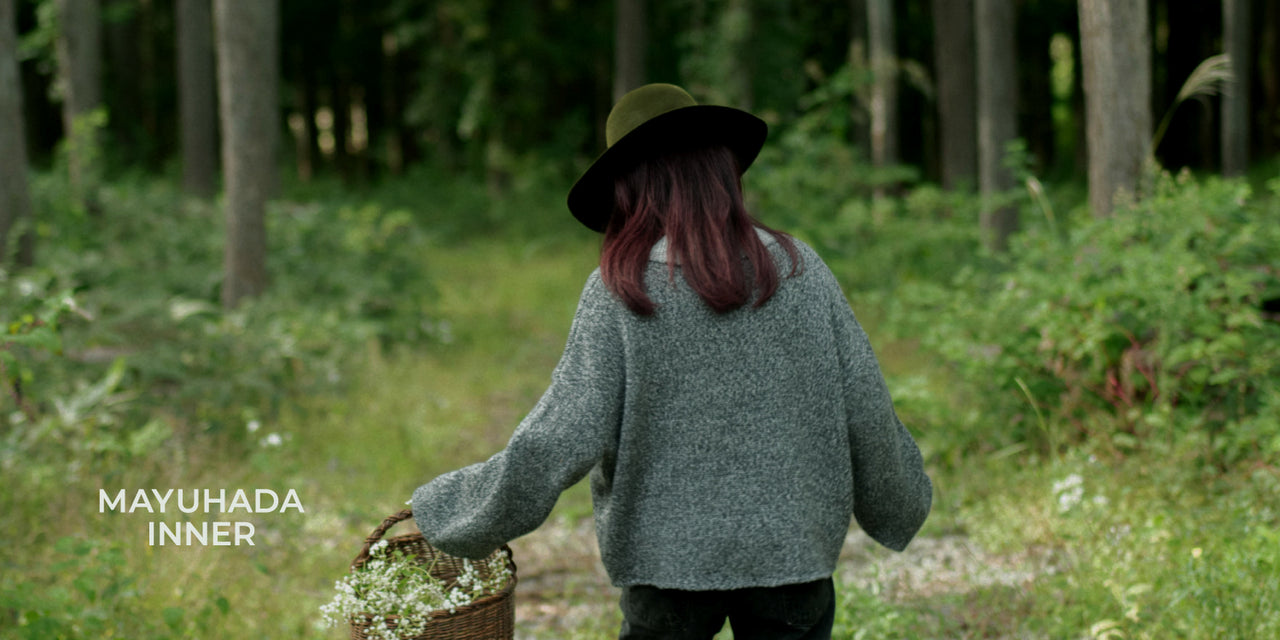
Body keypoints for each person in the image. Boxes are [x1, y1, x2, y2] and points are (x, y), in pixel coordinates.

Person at [410, 83, 932, 639]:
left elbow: (560, 436)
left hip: (666, 569)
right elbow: (865, 406)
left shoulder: (619, 290)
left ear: (630, 190)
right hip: (791, 556)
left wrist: (456, 512)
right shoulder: (800, 270)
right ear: (721, 172)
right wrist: (898, 504)